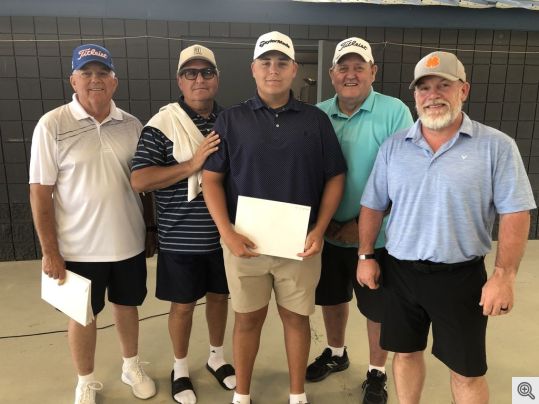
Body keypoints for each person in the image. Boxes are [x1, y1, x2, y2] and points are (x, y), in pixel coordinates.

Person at [358, 51, 536, 404]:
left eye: (444, 85)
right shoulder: (395, 148)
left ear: (464, 90)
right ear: (415, 95)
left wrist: (504, 276)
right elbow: (373, 204)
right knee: (405, 354)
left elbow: (515, 212)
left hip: (460, 277)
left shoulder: (496, 147)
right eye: (424, 87)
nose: (433, 94)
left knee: (467, 372)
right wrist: (365, 255)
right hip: (400, 273)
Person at [202, 31, 347, 404]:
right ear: (253, 69)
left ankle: (296, 395)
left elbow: (335, 175)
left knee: (296, 320)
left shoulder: (315, 121)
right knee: (247, 319)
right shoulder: (231, 121)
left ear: (294, 69)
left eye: (282, 62)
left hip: (298, 245)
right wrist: (227, 232)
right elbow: (212, 179)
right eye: (265, 62)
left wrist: (319, 228)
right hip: (244, 244)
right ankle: (243, 396)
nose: (273, 69)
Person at [29, 44, 156, 404]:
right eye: (87, 73)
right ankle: (85, 380)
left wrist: (148, 229)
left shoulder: (132, 125)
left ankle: (130, 365)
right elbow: (40, 193)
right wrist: (49, 251)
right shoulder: (52, 125)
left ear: (114, 81)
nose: (95, 80)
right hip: (77, 248)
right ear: (73, 79)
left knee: (127, 306)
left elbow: (143, 184)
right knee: (82, 316)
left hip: (128, 242)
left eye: (102, 73)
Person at [308, 37, 413, 404]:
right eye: (343, 67)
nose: (350, 74)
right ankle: (336, 353)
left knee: (377, 307)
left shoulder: (395, 111)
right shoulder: (317, 114)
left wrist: (363, 225)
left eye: (358, 67)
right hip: (329, 233)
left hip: (378, 237)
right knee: (332, 299)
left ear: (373, 72)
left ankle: (376, 372)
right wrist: (324, 226)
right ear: (332, 73)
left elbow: (404, 176)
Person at [130, 44, 235, 404]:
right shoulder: (161, 124)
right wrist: (191, 166)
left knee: (220, 297)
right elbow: (140, 180)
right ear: (180, 79)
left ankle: (217, 357)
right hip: (180, 238)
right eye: (191, 73)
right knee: (184, 306)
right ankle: (180, 368)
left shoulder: (229, 121)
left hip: (224, 235)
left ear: (217, 79)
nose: (199, 79)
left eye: (207, 72)